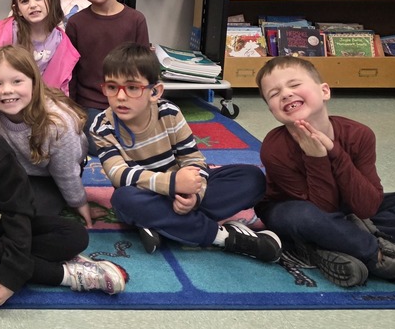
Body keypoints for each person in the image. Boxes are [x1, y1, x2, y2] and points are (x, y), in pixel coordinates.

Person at [0, 69, 127, 306]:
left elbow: (18, 210)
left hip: (7, 222)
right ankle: (67, 275)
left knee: (75, 236)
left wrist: (10, 276)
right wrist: (13, 274)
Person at [90, 42, 282, 262]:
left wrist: (194, 195)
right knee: (123, 199)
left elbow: (193, 159)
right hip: (143, 193)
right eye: (112, 87)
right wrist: (172, 184)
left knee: (253, 178)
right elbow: (119, 174)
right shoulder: (102, 125)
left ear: (155, 92)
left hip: (183, 189)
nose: (120, 96)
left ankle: (164, 224)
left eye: (132, 88)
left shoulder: (169, 113)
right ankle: (223, 237)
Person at [255, 56, 395, 287]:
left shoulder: (360, 134)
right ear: (272, 111)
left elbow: (368, 206)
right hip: (294, 214)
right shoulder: (274, 147)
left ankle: (324, 249)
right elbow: (322, 209)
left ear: (324, 91)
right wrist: (315, 158)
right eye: (274, 94)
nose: (286, 94)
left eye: (295, 84)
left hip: (351, 214)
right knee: (305, 217)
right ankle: (382, 259)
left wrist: (334, 152)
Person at [0, 45, 93, 227]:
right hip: (10, 173)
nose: (7, 90)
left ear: (34, 83)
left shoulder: (59, 124)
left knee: (33, 213)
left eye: (17, 81)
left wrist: (79, 202)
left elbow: (66, 171)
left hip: (48, 176)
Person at [66, 0, 149, 140]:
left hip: (130, 101)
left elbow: (145, 68)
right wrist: (72, 109)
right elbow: (71, 72)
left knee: (154, 135)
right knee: (99, 142)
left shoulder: (136, 19)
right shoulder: (76, 24)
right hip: (92, 104)